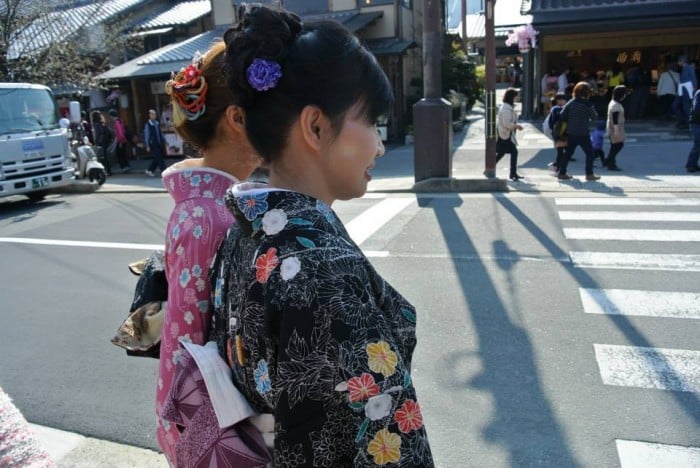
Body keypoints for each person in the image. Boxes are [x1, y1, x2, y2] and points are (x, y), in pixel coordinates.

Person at [211, 5, 434, 466]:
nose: (379, 143)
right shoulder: (323, 274)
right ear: (315, 126)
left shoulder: (240, 234)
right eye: (370, 122)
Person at [155, 41, 261, 466]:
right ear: (237, 120)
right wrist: (195, 441)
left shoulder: (203, 207)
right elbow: (189, 344)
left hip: (188, 402)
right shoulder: (209, 216)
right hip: (202, 415)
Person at [557, 81, 600, 181]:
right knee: (590, 154)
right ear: (587, 93)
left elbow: (562, 115)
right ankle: (589, 174)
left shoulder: (571, 102)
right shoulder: (587, 104)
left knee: (568, 153)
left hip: (571, 132)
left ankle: (562, 173)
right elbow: (594, 117)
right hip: (583, 133)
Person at [496, 87, 524, 180]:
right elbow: (506, 123)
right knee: (513, 152)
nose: (517, 98)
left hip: (505, 134)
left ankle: (490, 167)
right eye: (516, 96)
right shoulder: (506, 109)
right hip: (505, 134)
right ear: (511, 97)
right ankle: (513, 173)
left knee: (502, 153)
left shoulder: (507, 107)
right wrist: (516, 126)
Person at [605, 85, 627, 171]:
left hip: (612, 127)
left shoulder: (613, 102)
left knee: (614, 146)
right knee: (618, 145)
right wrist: (616, 131)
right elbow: (615, 119)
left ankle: (609, 161)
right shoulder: (616, 106)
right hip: (615, 128)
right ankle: (610, 163)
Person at [545, 93, 568, 171]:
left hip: (563, 133)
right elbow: (553, 122)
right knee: (561, 151)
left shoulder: (560, 108)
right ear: (558, 101)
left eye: (564, 100)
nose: (562, 101)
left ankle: (557, 166)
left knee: (563, 152)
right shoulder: (556, 109)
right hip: (559, 134)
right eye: (560, 100)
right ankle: (558, 168)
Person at [677, 55, 698, 128]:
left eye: (679, 61)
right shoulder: (685, 68)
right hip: (684, 89)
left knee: (686, 106)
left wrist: (694, 90)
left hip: (686, 89)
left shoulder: (689, 68)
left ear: (682, 61)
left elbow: (693, 78)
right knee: (684, 106)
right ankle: (686, 121)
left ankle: (688, 122)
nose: (678, 63)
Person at [144, 109, 166, 176]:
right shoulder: (148, 124)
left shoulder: (157, 123)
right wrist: (147, 145)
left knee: (157, 157)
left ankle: (149, 170)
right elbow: (147, 135)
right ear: (150, 115)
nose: (154, 116)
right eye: (153, 114)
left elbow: (160, 133)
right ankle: (164, 171)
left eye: (155, 114)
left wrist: (164, 140)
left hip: (159, 142)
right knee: (159, 158)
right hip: (153, 143)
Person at [109, 109, 131, 173]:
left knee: (120, 154)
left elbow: (120, 133)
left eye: (110, 116)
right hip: (124, 140)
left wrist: (121, 142)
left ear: (112, 116)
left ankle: (124, 167)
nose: (110, 118)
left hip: (120, 140)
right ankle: (127, 166)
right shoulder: (120, 120)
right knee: (123, 153)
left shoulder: (116, 122)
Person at [91, 110, 112, 176]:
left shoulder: (96, 124)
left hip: (101, 142)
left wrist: (96, 142)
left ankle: (103, 171)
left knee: (100, 157)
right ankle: (108, 170)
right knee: (105, 157)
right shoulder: (102, 122)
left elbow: (98, 134)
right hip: (106, 141)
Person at [685, 88, 700, 173]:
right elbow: (698, 109)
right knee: (698, 144)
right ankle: (690, 165)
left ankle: (693, 164)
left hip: (695, 121)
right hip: (696, 122)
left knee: (698, 145)